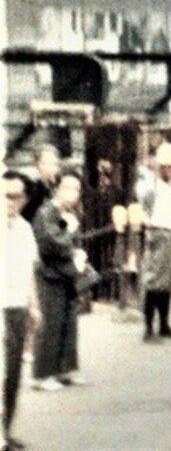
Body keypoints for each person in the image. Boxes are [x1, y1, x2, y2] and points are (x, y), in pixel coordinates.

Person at [31, 172, 87, 391]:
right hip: (50, 274)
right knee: (51, 324)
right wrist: (69, 231)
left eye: (76, 189)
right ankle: (43, 375)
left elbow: (74, 242)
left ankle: (64, 370)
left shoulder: (67, 212)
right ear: (57, 189)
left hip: (66, 274)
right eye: (68, 188)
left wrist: (79, 253)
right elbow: (49, 242)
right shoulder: (46, 212)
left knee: (68, 323)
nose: (73, 194)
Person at [1, 172, 39, 449]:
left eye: (15, 196)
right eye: (4, 194)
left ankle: (5, 430)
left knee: (13, 375)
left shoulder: (25, 229)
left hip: (17, 308)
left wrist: (34, 306)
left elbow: (30, 270)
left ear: (24, 199)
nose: (9, 201)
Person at [140, 142, 171, 343]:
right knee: (154, 280)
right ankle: (149, 328)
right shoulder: (153, 185)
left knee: (167, 281)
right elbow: (145, 205)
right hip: (160, 233)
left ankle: (164, 324)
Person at [20, 146, 60, 224]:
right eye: (46, 163)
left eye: (54, 163)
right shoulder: (32, 190)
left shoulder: (58, 187)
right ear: (37, 165)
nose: (50, 167)